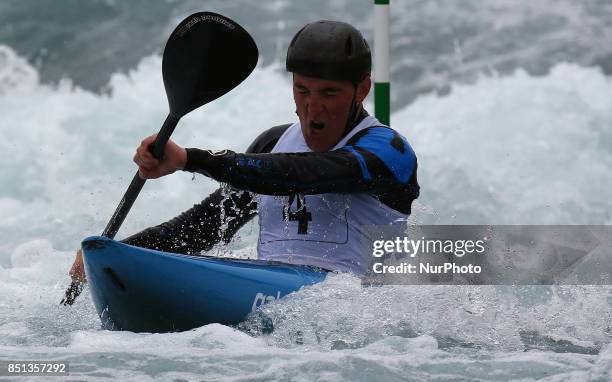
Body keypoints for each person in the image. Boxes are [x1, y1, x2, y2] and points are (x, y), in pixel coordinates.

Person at [69, 20, 419, 282]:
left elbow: (306, 173)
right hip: (275, 297)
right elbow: (204, 226)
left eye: (329, 93)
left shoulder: (388, 150)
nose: (313, 108)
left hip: (357, 309)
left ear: (362, 90)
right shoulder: (272, 144)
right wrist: (114, 256)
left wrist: (191, 159)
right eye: (302, 90)